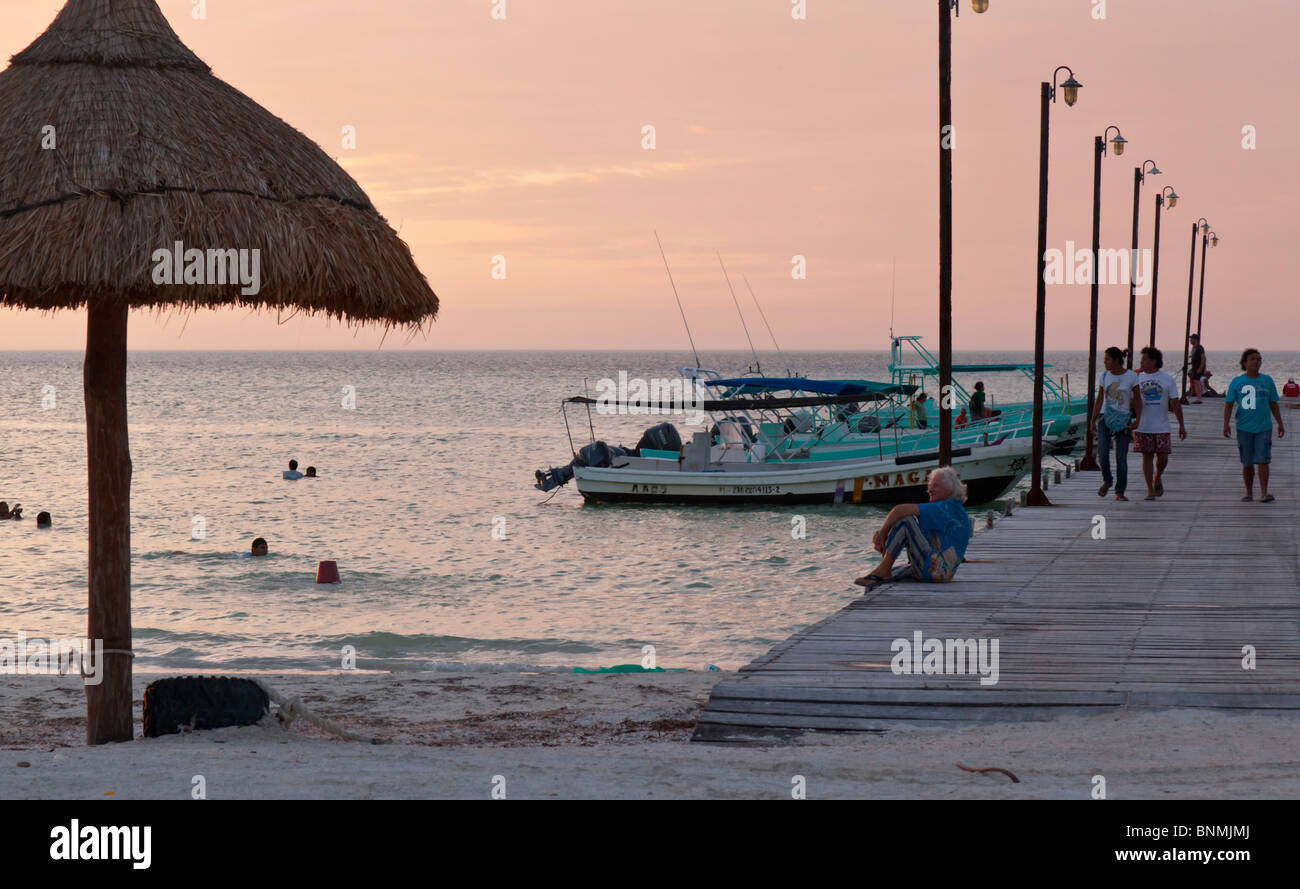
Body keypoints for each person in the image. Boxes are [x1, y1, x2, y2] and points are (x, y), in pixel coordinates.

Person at [853, 467, 971, 590]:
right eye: (929, 486)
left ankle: (884, 569)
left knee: (906, 521)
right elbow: (912, 536)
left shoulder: (947, 507)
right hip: (938, 572)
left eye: (935, 486)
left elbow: (899, 510)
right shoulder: (952, 510)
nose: (930, 490)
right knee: (874, 583)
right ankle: (881, 576)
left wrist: (882, 533)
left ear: (949, 489)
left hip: (935, 569)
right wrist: (889, 540)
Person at [1224, 348, 1285, 502]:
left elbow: (1273, 403)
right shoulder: (1237, 382)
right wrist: (1226, 424)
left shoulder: (1267, 380)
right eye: (1252, 359)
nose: (1256, 362)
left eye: (1259, 359)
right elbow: (1229, 404)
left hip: (1264, 427)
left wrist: (1279, 422)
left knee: (1263, 459)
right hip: (1244, 427)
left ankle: (1264, 493)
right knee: (1247, 461)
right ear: (1245, 363)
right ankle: (1248, 492)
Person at [1134, 346, 1186, 500]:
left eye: (1144, 359)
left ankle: (1158, 476)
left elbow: (1175, 402)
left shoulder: (1167, 379)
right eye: (1141, 359)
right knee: (1147, 457)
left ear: (1154, 361)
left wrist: (1181, 425)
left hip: (1161, 425)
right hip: (1143, 425)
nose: (1141, 362)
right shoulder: (1136, 378)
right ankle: (1150, 489)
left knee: (1163, 457)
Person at [1090, 346, 1141, 501]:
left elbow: (1138, 399)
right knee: (1103, 453)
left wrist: (1138, 419)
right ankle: (1108, 480)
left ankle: (1120, 491)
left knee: (1121, 457)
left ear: (1117, 360)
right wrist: (1092, 420)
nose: (1105, 362)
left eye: (1107, 359)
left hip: (1124, 419)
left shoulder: (1131, 376)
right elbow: (1099, 399)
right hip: (1105, 417)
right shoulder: (1104, 376)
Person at [1187, 334, 1207, 403]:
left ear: (1195, 339)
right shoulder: (1194, 348)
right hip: (1195, 367)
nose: (1190, 340)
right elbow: (1195, 359)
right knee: (1195, 381)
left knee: (1196, 381)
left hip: (1198, 368)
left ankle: (1199, 398)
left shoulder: (1199, 347)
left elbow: (1203, 358)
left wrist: (1201, 368)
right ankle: (1199, 398)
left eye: (1191, 339)